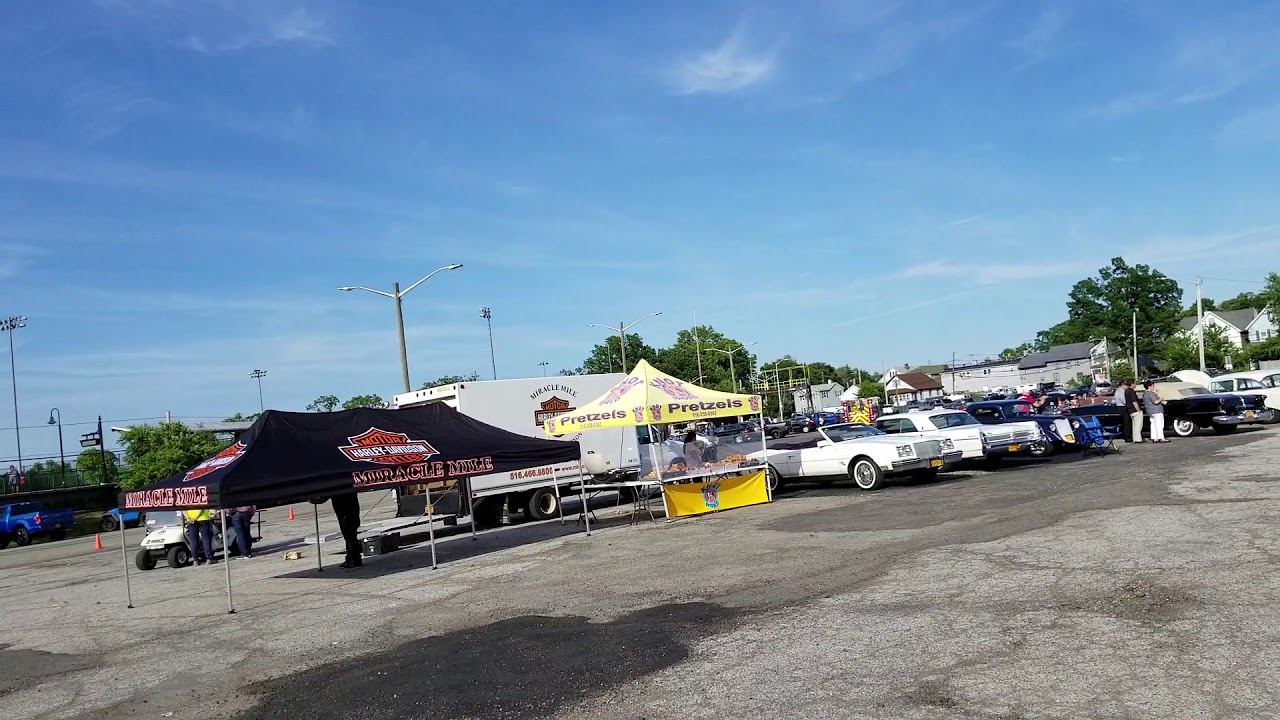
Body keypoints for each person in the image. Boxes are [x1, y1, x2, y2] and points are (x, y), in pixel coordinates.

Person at [330, 493, 363, 569]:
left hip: (341, 496)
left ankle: (353, 558)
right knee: (351, 529)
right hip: (348, 493)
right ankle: (353, 557)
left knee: (348, 530)